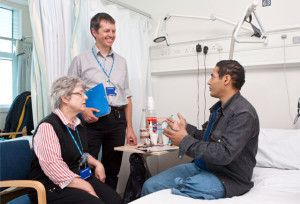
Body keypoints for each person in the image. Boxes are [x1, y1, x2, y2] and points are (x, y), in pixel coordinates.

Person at [141, 60, 260, 199]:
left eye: (212, 76)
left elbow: (224, 153)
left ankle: (187, 185)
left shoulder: (243, 113)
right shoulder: (219, 109)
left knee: (188, 188)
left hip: (227, 177)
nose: (209, 82)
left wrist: (184, 140)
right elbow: (207, 138)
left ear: (226, 79)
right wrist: (185, 128)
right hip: (200, 167)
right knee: (150, 185)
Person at [68, 13, 137, 190]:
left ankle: (111, 198)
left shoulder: (121, 62)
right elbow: (69, 93)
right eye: (106, 30)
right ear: (94, 32)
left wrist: (129, 128)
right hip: (92, 121)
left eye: (113, 31)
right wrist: (82, 111)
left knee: (112, 169)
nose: (111, 34)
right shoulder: (81, 60)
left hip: (117, 120)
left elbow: (127, 97)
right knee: (86, 166)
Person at [28, 76, 123, 204]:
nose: (86, 97)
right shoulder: (48, 127)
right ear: (65, 98)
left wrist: (96, 163)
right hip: (51, 186)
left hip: (77, 177)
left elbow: (79, 153)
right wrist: (87, 187)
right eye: (80, 93)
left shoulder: (78, 123)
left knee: (116, 201)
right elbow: (55, 171)